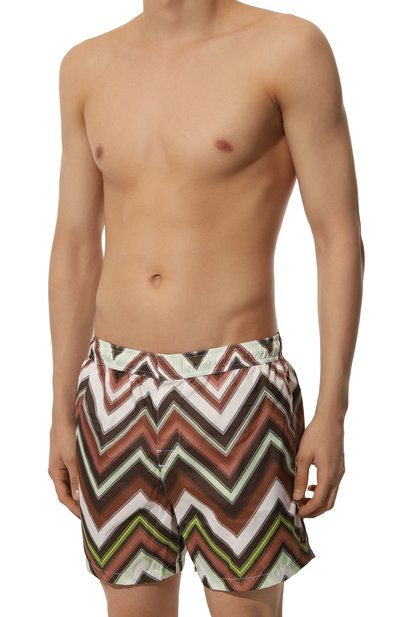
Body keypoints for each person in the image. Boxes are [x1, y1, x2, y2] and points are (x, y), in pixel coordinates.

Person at [47, 1, 364, 616]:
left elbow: (338, 237)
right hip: (113, 392)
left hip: (235, 387)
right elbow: (76, 245)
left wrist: (333, 408)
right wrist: (62, 407)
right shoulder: (86, 66)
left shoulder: (288, 49)